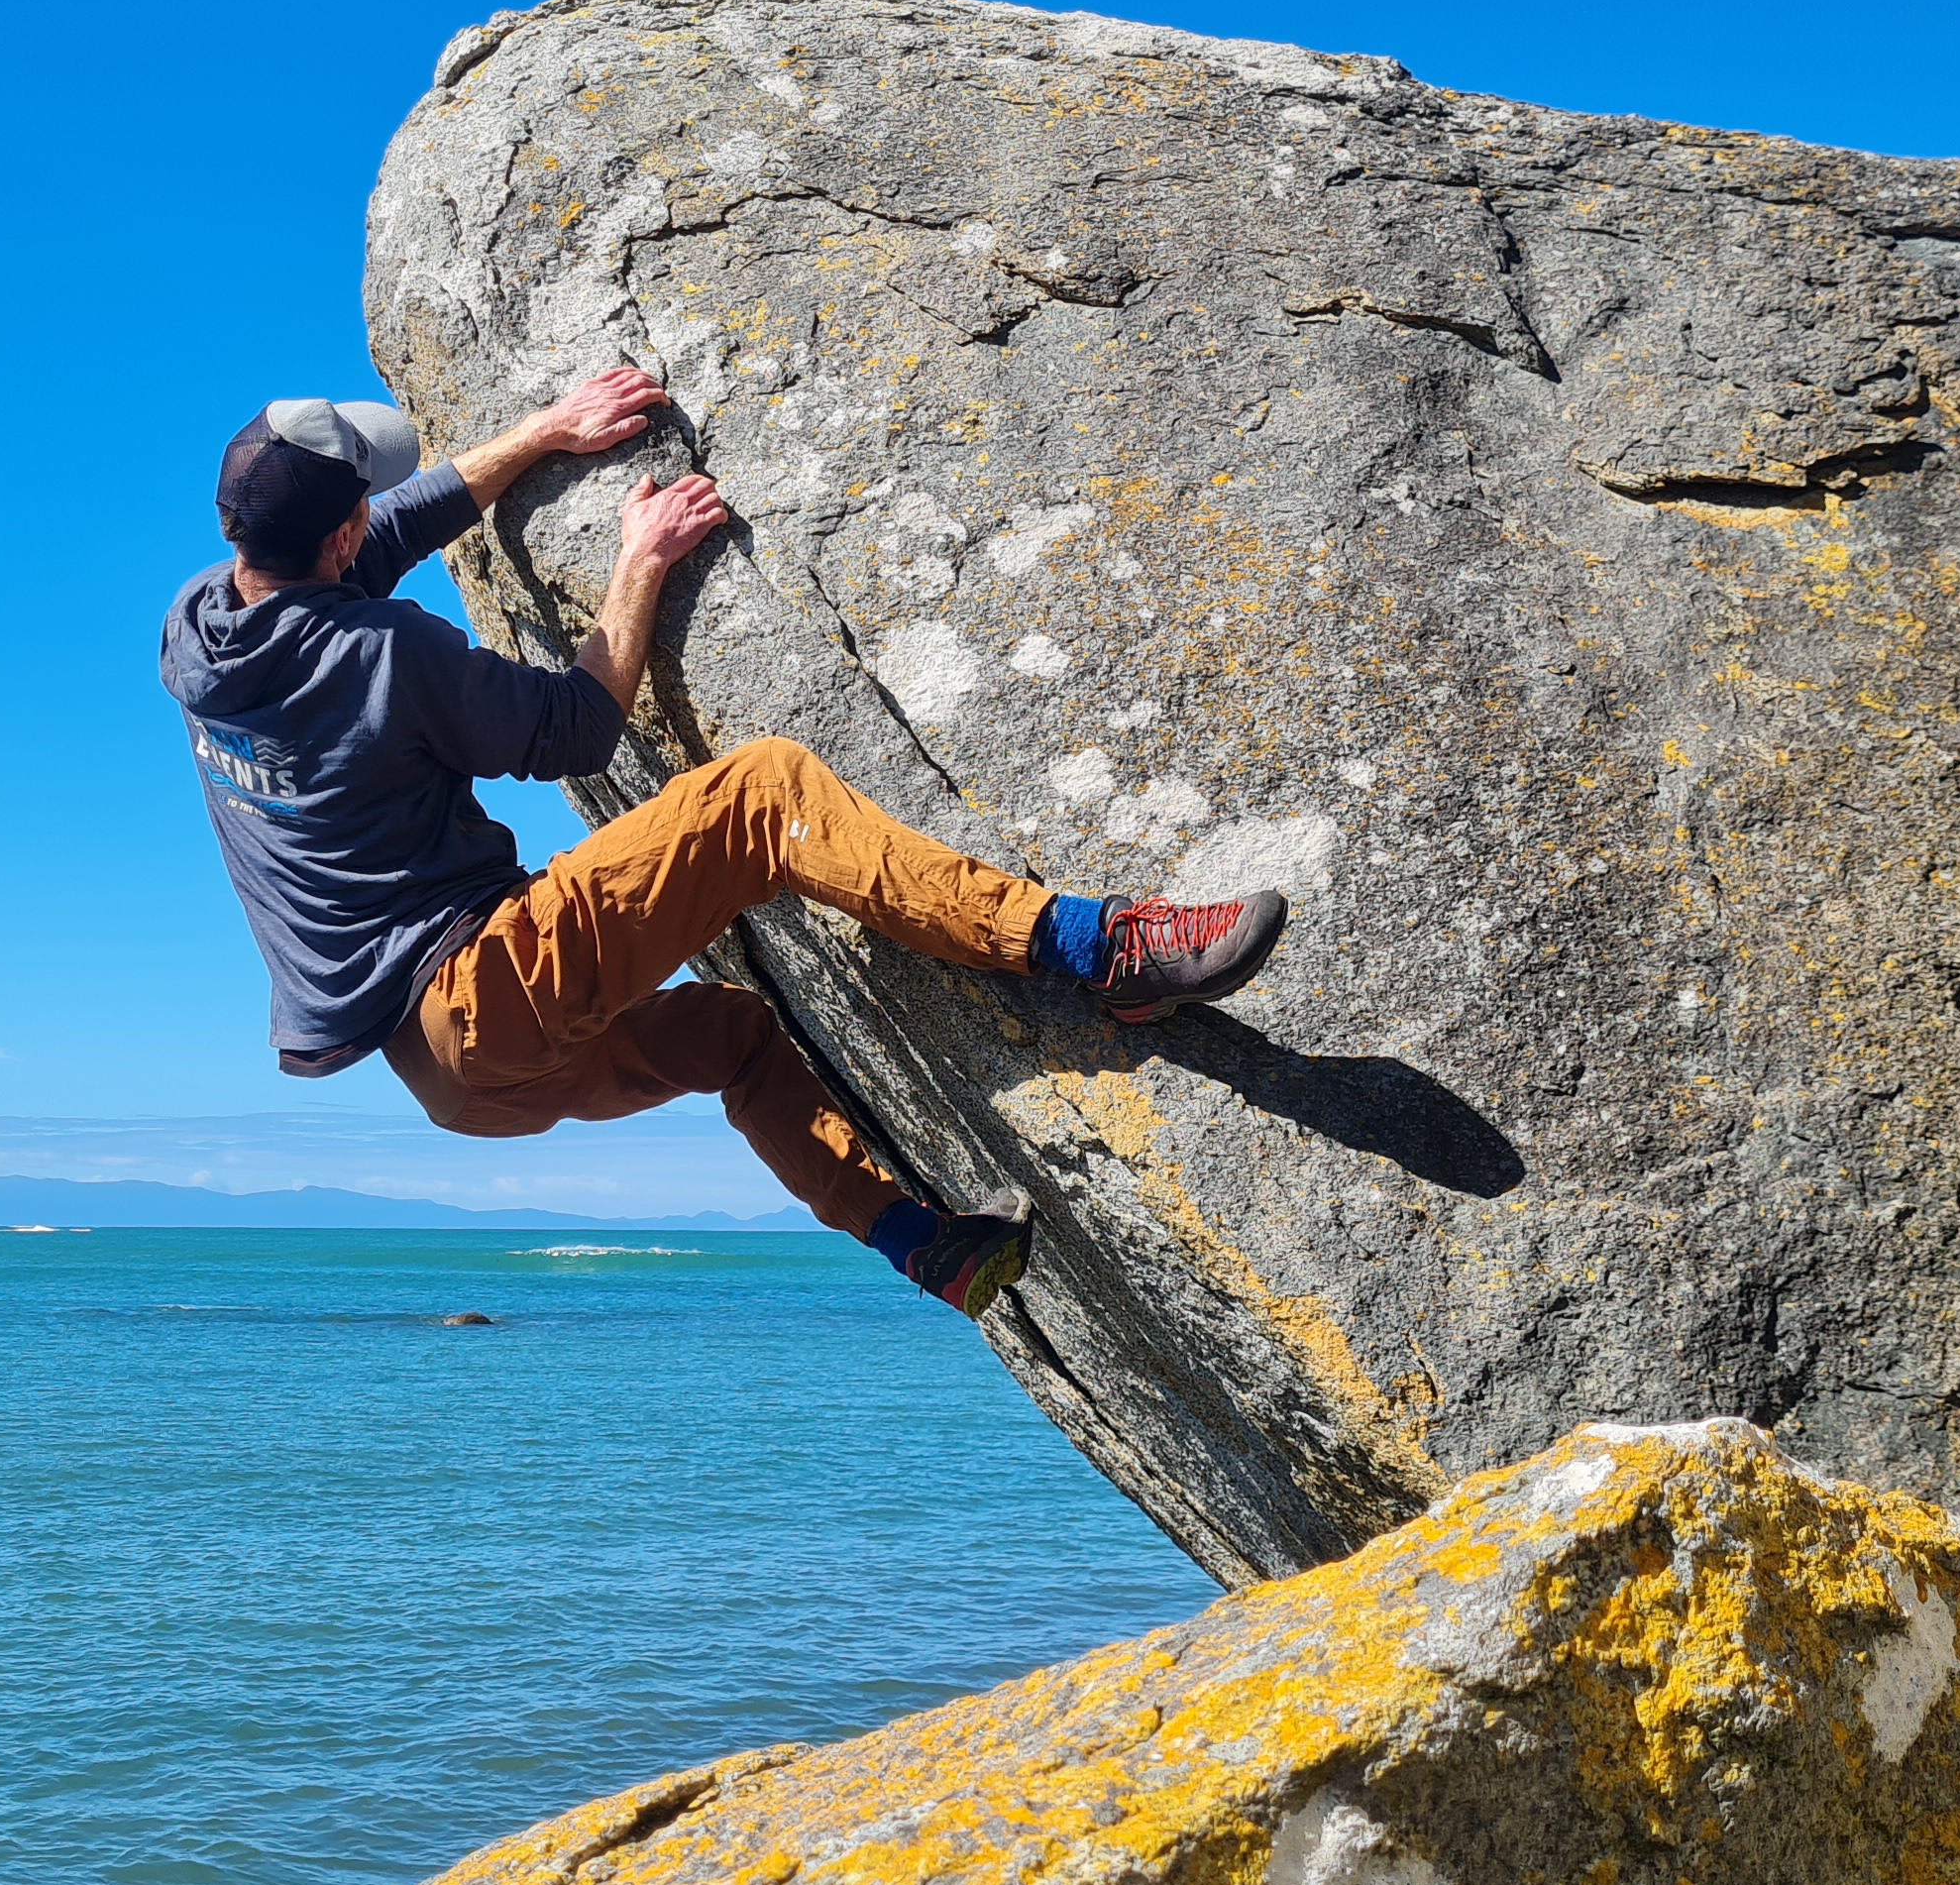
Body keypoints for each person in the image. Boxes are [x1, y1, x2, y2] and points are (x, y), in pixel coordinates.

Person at [158, 368, 1288, 1315]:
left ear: (233, 526)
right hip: (482, 982)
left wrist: (549, 431)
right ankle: (1101, 949)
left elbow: (380, 538)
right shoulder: (385, 653)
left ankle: (920, 1243)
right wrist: (641, 558)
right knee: (763, 794)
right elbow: (577, 729)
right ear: (339, 527)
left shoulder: (196, 631)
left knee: (736, 1039)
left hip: (451, 1087)